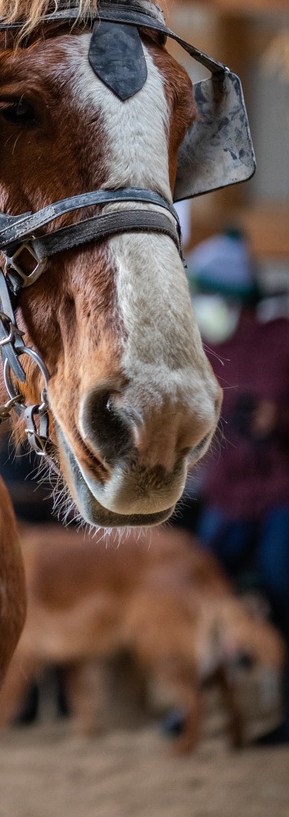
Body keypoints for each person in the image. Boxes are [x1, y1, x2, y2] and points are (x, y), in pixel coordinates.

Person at [190, 228, 289, 744]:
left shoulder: (281, 339)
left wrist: (275, 419)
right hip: (226, 494)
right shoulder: (199, 343)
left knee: (282, 584)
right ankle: (195, 705)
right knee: (197, 590)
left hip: (279, 493)